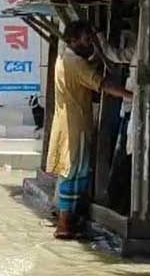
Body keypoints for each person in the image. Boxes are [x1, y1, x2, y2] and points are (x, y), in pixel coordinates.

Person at [47, 20, 134, 239]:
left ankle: (67, 222)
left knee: (75, 172)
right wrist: (132, 95)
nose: (89, 43)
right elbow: (101, 83)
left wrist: (98, 49)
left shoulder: (65, 58)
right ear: (73, 40)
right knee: (75, 172)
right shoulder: (75, 63)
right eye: (86, 39)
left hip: (70, 123)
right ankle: (65, 223)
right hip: (75, 126)